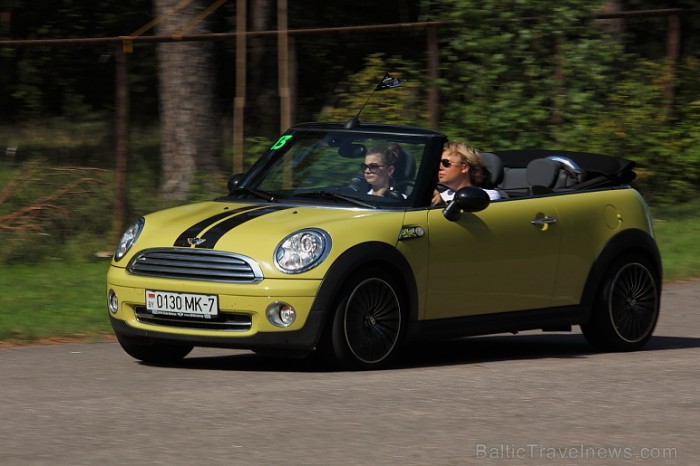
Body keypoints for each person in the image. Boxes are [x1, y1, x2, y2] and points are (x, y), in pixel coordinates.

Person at [431, 141, 501, 205]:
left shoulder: (487, 196)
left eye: (445, 163)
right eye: (438, 163)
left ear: (464, 168)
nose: (439, 167)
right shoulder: (438, 196)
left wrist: (442, 203)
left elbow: (468, 216)